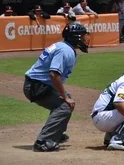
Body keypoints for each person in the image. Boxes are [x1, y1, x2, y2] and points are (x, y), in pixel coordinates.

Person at [23, 23, 90, 152]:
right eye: (82, 36)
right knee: (64, 105)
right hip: (36, 87)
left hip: (37, 84)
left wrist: (65, 96)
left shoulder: (63, 46)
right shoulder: (65, 50)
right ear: (75, 37)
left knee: (67, 100)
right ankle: (43, 141)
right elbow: (54, 74)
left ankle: (55, 134)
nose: (84, 39)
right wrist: (64, 96)